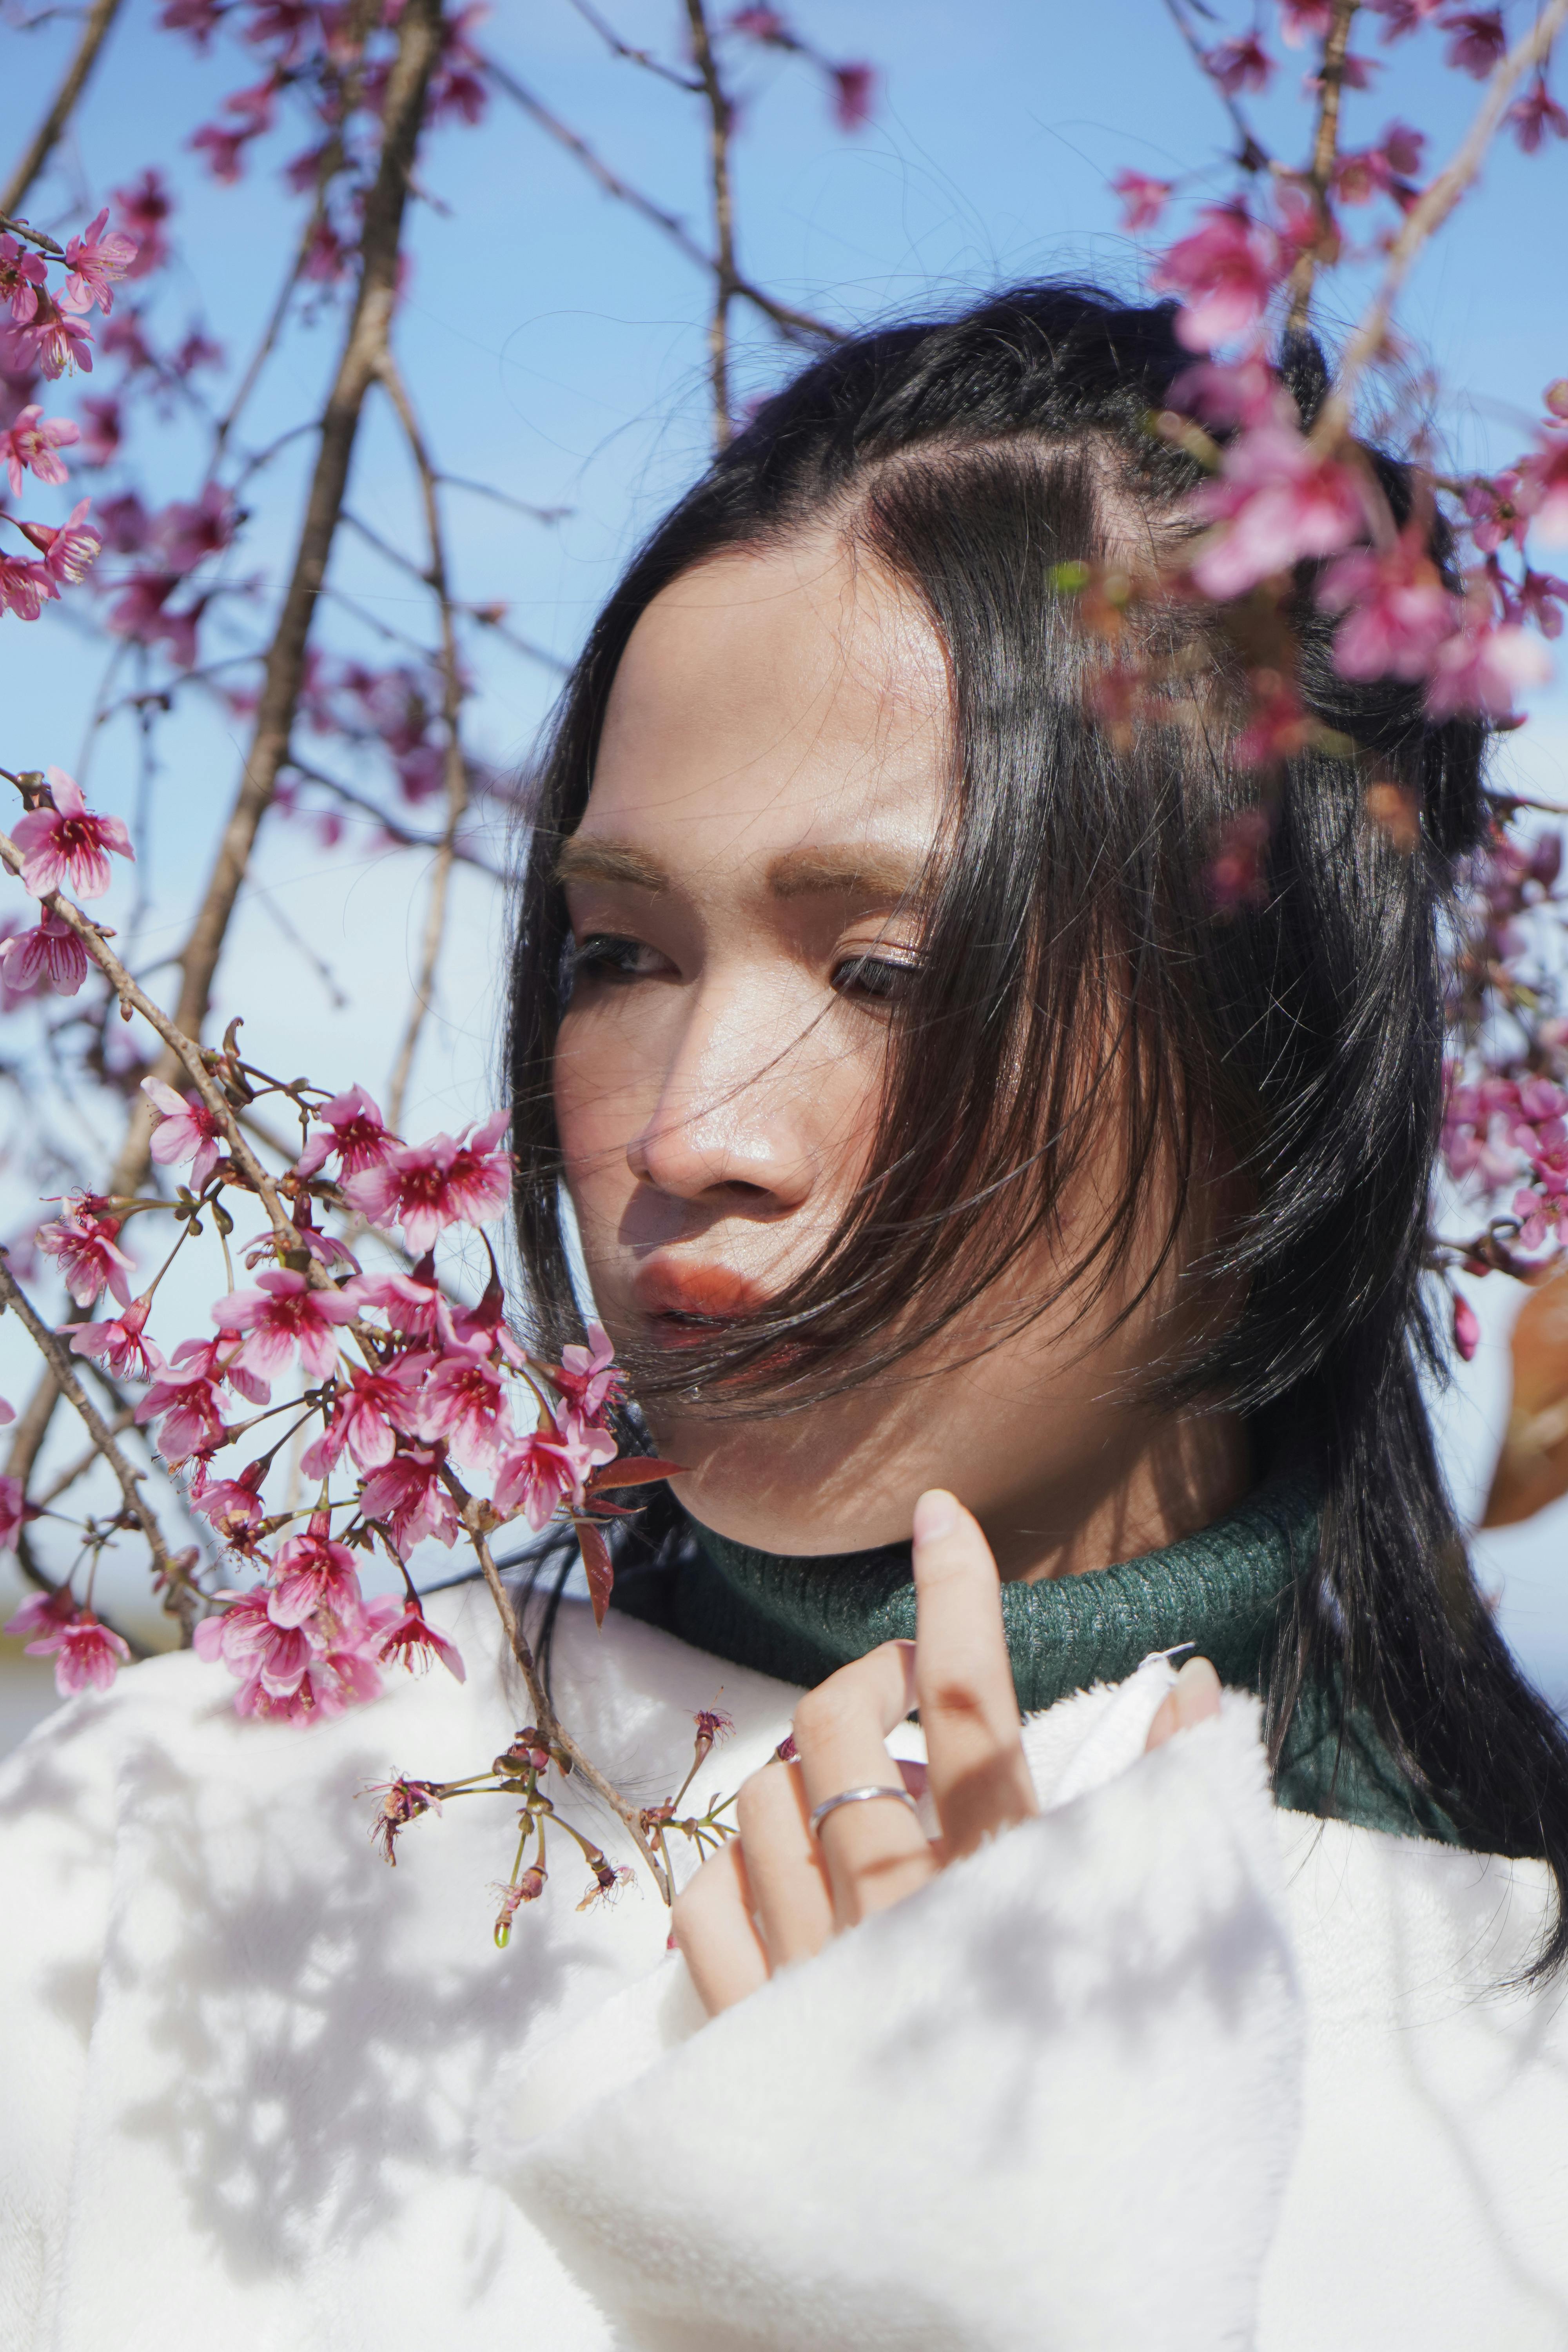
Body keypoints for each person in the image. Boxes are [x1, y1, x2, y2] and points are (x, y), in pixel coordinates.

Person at [3, 283, 1567, 2352]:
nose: (683, 1130)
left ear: (1275, 1066)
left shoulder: (1500, 2071)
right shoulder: (186, 1846)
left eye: (892, 972)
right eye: (618, 953)